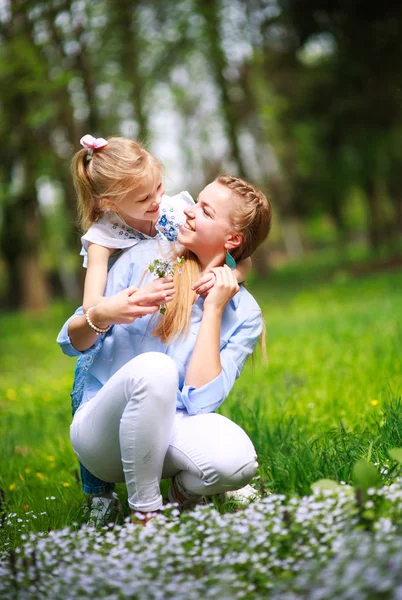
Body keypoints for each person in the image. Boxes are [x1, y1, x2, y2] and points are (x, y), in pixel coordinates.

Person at [57, 173, 272, 526]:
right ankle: (146, 516)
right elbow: (72, 344)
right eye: (196, 201)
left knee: (237, 462)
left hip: (172, 429)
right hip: (104, 436)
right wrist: (105, 314)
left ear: (232, 238)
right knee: (156, 369)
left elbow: (201, 403)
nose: (188, 211)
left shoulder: (244, 313)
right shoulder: (144, 258)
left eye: (204, 210)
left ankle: (179, 499)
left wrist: (215, 308)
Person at [72, 134, 251, 314]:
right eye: (144, 199)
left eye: (158, 187)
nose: (158, 200)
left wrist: (232, 275)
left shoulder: (175, 210)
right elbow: (91, 304)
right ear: (110, 203)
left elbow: (242, 258)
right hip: (137, 320)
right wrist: (141, 297)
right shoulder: (103, 238)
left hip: (187, 303)